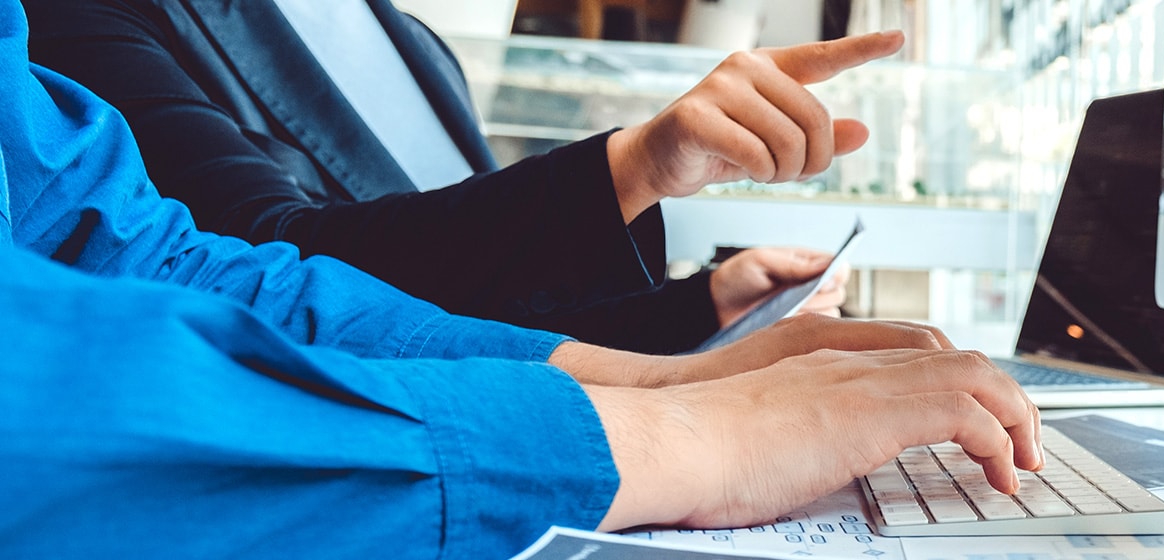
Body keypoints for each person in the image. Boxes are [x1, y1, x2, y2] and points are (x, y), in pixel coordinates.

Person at [0, 1, 1044, 556]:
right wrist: (685, 433)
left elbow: (169, 260)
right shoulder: (92, 12)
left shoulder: (410, 41)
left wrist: (674, 365)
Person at [21, 0, 882, 354]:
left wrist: (705, 305)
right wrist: (636, 165)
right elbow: (272, 268)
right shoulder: (82, 21)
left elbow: (480, 308)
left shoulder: (411, 41)